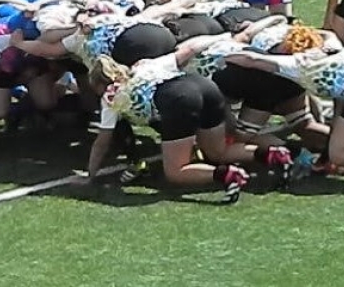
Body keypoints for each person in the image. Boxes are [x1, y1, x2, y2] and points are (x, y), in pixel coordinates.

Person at [223, 23, 344, 194]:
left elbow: (253, 60)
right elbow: (329, 33)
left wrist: (224, 51)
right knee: (343, 130)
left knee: (340, 153)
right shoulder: (331, 46)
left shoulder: (297, 63)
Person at [84, 43, 293, 203]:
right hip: (203, 85)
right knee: (218, 151)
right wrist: (222, 39)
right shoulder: (146, 66)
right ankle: (273, 154)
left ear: (100, 84)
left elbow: (102, 142)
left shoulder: (111, 97)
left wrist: (90, 175)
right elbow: (188, 50)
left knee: (176, 171)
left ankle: (227, 175)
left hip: (178, 98)